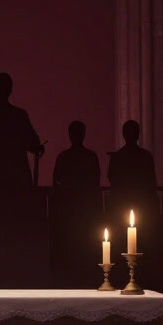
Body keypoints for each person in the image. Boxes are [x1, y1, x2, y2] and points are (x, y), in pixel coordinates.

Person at [50, 121, 102, 285]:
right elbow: (95, 183)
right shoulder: (90, 157)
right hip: (85, 211)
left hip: (69, 212)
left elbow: (56, 183)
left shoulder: (63, 157)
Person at [106, 121, 159, 279]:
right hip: (142, 206)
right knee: (142, 242)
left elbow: (112, 178)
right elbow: (151, 182)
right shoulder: (145, 157)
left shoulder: (117, 157)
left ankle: (124, 274)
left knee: (121, 242)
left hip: (120, 206)